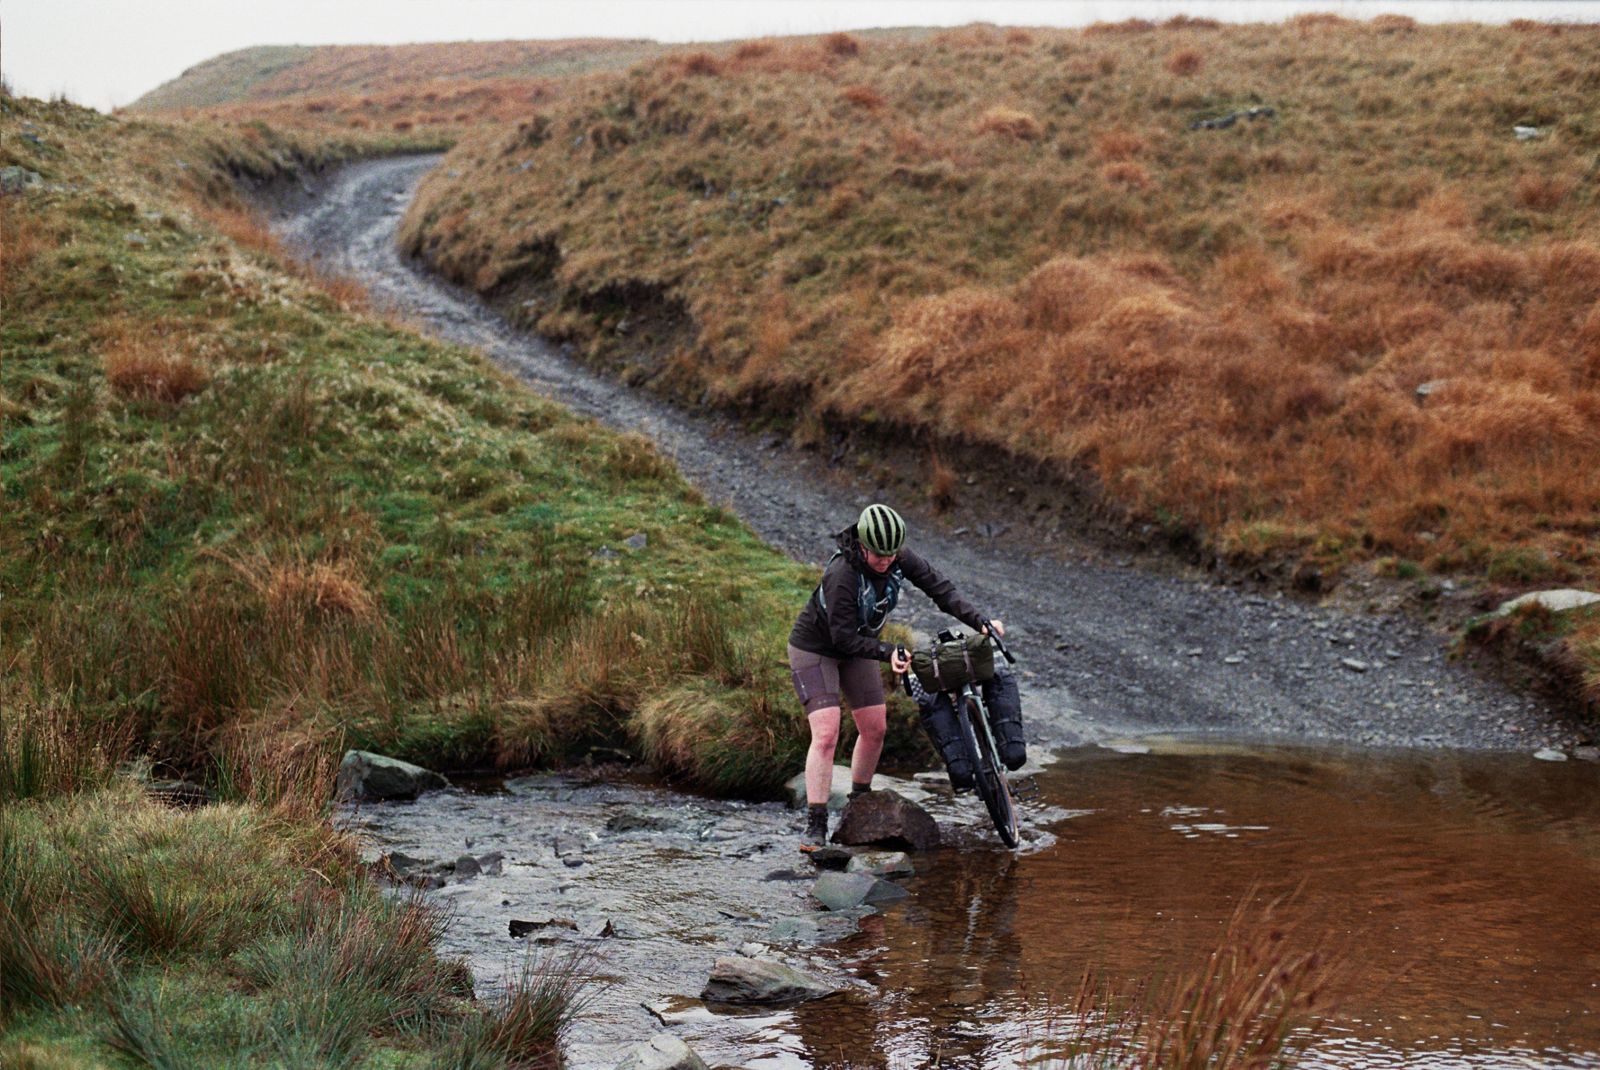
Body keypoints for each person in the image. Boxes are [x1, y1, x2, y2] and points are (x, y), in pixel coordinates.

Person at [787, 503, 1003, 846]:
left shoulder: (898, 555)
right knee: (827, 733)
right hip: (817, 649)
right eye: (878, 555)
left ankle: (858, 804)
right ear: (862, 545)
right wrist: (889, 653)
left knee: (875, 729)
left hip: (861, 649)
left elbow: (940, 590)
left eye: (891, 554)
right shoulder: (842, 574)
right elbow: (842, 637)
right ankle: (816, 824)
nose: (886, 561)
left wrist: (980, 622)